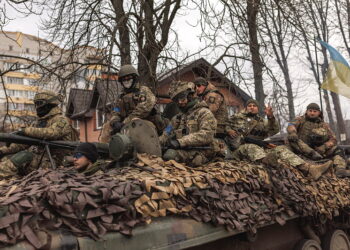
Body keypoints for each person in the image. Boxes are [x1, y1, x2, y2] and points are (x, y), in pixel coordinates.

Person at [0, 90, 79, 179]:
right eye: (36, 104)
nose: (37, 107)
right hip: (40, 161)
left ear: (51, 104)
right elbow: (24, 143)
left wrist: (24, 131)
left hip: (55, 163)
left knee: (25, 156)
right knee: (9, 160)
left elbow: (52, 133)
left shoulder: (61, 120)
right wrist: (3, 151)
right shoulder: (38, 123)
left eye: (40, 103)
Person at [101, 65, 166, 143]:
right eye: (124, 79)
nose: (127, 81)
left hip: (146, 121)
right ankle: (107, 150)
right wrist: (115, 122)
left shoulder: (143, 90)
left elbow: (144, 109)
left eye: (129, 78)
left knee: (136, 122)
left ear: (134, 78)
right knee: (107, 126)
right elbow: (116, 110)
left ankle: (145, 153)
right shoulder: (121, 97)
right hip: (126, 124)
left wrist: (125, 122)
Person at [160, 81, 218, 167]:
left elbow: (207, 135)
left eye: (182, 98)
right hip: (183, 150)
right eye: (176, 100)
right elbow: (167, 133)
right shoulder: (177, 118)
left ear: (190, 95)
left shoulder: (204, 113)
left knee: (170, 155)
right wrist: (156, 143)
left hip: (202, 152)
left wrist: (180, 142)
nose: (179, 102)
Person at [287, 103, 349, 178]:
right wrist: (293, 132)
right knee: (292, 139)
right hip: (302, 149)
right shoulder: (300, 120)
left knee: (337, 149)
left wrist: (324, 146)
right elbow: (291, 125)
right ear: (306, 111)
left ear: (319, 113)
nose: (312, 113)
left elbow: (333, 139)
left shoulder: (323, 125)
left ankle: (340, 170)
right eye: (310, 110)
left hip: (319, 152)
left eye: (314, 111)